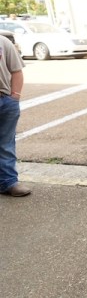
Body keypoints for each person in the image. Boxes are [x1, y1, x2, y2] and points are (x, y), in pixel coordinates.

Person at [0, 34, 31, 197]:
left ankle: (9, 182)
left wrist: (15, 97)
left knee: (5, 144)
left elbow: (16, 71)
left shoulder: (3, 42)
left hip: (5, 101)